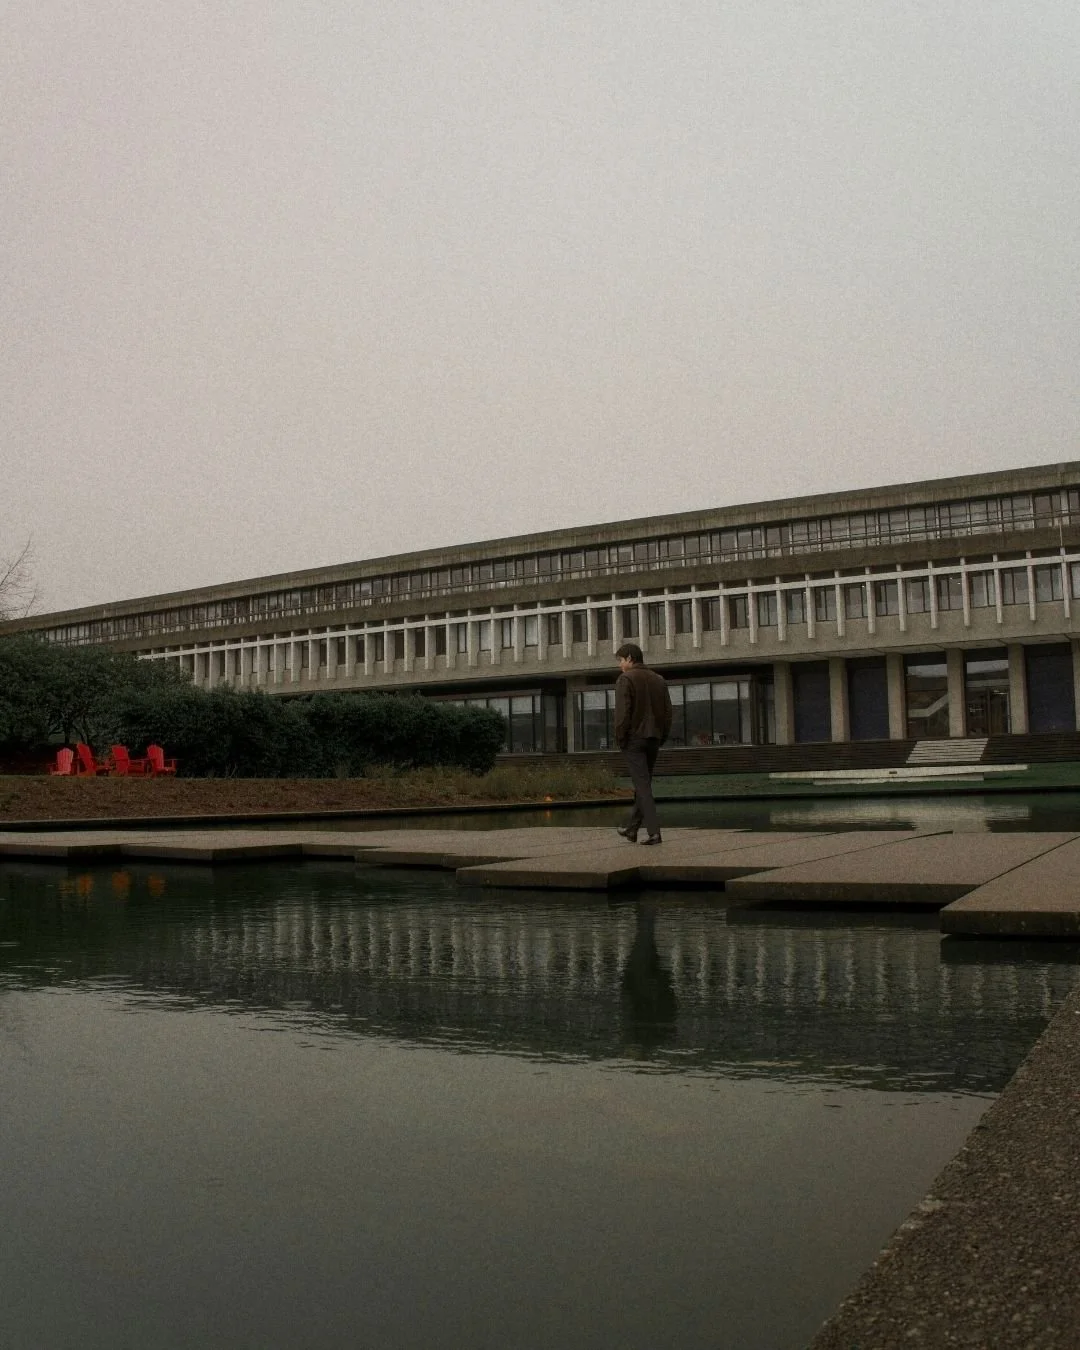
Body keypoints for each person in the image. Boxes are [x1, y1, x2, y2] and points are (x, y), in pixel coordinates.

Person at [613, 642, 672, 845]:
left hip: (634, 740)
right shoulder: (659, 680)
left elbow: (622, 716)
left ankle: (654, 832)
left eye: (621, 660)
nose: (620, 665)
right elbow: (668, 714)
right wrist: (661, 737)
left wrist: (621, 740)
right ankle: (631, 829)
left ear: (630, 658)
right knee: (643, 784)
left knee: (643, 786)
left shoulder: (625, 679)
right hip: (654, 739)